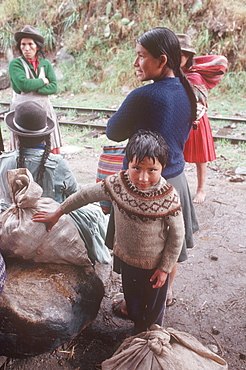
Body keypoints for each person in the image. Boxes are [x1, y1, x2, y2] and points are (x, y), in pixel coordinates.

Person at [32, 130, 185, 334]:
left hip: (154, 264)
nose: (143, 177)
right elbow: (85, 195)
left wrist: (165, 267)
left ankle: (148, 338)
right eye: (136, 168)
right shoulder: (117, 184)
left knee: (153, 308)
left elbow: (177, 235)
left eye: (152, 170)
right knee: (133, 296)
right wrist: (58, 212)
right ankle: (134, 319)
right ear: (127, 163)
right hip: (127, 260)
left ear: (162, 168)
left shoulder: (167, 197)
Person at [105, 27, 199, 310]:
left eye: (141, 56)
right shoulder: (187, 89)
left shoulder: (144, 96)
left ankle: (136, 307)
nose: (135, 63)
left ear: (161, 60)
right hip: (177, 181)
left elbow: (113, 131)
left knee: (142, 254)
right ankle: (165, 294)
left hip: (145, 186)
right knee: (170, 247)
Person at [0, 101, 110, 265]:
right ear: (46, 135)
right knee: (95, 213)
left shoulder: (4, 161)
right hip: (51, 221)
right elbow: (74, 194)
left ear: (16, 135)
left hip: (14, 225)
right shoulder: (58, 163)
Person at [177, 33, 228, 203]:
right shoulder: (171, 73)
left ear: (188, 57)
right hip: (178, 120)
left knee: (201, 157)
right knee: (177, 154)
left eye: (181, 55)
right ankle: (177, 187)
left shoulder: (195, 76)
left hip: (197, 121)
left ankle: (201, 190)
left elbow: (199, 101)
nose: (177, 58)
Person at [8, 25, 62, 154]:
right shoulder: (15, 64)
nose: (27, 48)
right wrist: (43, 81)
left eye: (30, 44)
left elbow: (54, 87)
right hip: (22, 112)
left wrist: (33, 87)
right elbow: (23, 85)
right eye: (23, 44)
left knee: (48, 144)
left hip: (44, 110)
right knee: (23, 147)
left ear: (37, 46)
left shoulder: (45, 64)